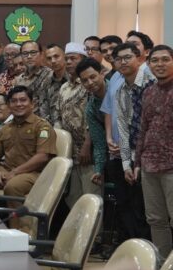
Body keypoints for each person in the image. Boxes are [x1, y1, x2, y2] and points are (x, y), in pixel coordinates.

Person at [0, 86, 57, 220]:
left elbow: (42, 157)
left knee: (12, 187)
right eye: (14, 101)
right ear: (9, 105)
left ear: (32, 104)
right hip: (6, 171)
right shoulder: (6, 128)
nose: (19, 104)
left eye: (23, 100)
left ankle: (18, 230)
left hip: (33, 173)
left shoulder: (42, 126)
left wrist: (15, 173)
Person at [113, 42, 155, 241]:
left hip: (155, 154)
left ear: (139, 58)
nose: (123, 62)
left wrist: (140, 161)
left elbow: (153, 128)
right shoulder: (120, 91)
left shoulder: (153, 83)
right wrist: (126, 163)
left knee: (154, 213)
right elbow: (123, 129)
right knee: (132, 206)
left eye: (127, 57)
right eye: (118, 59)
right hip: (133, 153)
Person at [136, 45, 173, 257]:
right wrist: (138, 162)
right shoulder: (148, 92)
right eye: (155, 60)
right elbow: (143, 129)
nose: (160, 64)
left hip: (171, 166)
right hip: (149, 164)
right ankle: (163, 265)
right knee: (156, 220)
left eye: (165, 59)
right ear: (149, 64)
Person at [56, 43, 95, 207]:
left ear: (83, 60)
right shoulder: (64, 87)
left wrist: (87, 144)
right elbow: (58, 115)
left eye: (74, 58)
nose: (69, 62)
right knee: (73, 199)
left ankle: (94, 234)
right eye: (67, 59)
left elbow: (94, 118)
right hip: (69, 153)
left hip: (88, 152)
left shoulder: (89, 84)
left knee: (90, 198)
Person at [77, 58, 109, 187]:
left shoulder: (119, 90)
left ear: (101, 73)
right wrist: (98, 170)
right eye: (85, 80)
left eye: (93, 77)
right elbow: (99, 142)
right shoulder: (91, 107)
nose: (90, 82)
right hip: (116, 155)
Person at [14, 40, 54, 121]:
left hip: (45, 125)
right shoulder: (18, 80)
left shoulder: (51, 76)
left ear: (41, 55)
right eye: (25, 54)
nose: (29, 56)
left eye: (33, 52)